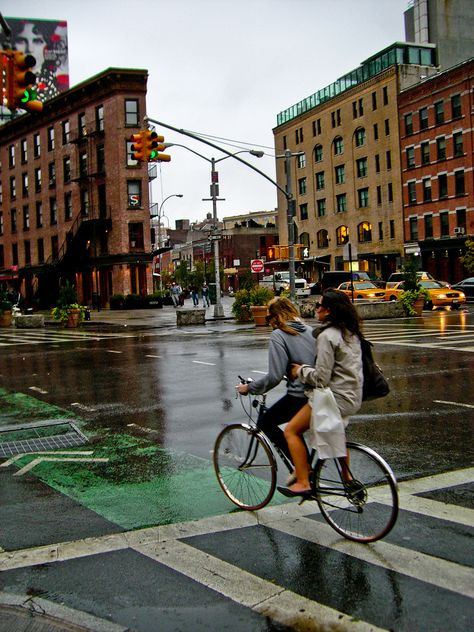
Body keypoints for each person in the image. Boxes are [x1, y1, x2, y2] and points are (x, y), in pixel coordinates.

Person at [278, 289, 363, 498]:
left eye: (319, 306)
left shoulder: (327, 336)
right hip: (352, 396)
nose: (316, 309)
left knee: (291, 431)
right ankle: (348, 479)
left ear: (329, 311)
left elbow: (321, 378)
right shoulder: (350, 332)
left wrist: (300, 371)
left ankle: (303, 481)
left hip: (334, 398)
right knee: (336, 434)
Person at [236, 297, 316, 466]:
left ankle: (303, 469)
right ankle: (305, 468)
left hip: (298, 395)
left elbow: (274, 376)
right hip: (316, 394)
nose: (268, 322)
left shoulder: (279, 335)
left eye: (268, 318)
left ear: (276, 317)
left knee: (266, 422)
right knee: (294, 430)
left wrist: (250, 388)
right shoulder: (310, 331)